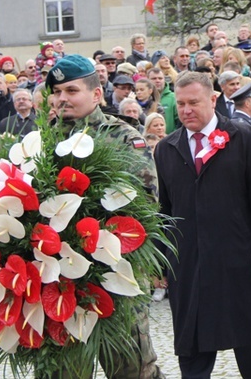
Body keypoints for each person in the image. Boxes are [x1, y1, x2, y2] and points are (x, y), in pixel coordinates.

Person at [155, 71, 251, 378]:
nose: (186, 110)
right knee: (193, 350)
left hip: (238, 258)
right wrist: (161, 264)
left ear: (213, 99)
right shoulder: (166, 148)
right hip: (188, 263)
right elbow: (164, 210)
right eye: (181, 104)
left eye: (194, 102)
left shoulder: (244, 137)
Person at [45, 54, 164, 378]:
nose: (61, 99)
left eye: (71, 90)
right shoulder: (42, 141)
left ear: (96, 94)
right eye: (56, 92)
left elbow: (145, 205)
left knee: (130, 367)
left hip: (115, 272)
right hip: (59, 277)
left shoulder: (125, 138)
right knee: (63, 370)